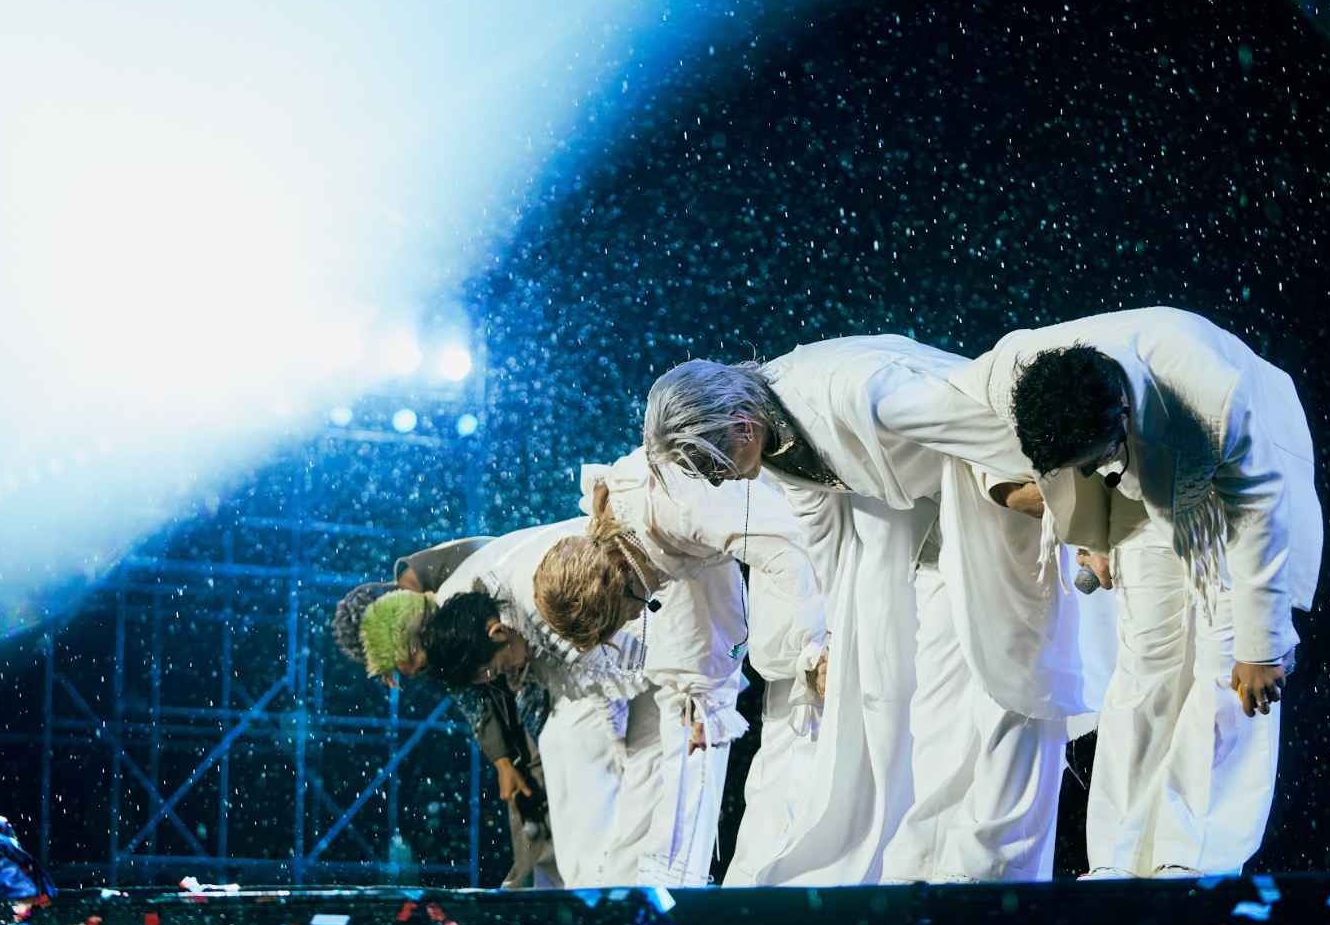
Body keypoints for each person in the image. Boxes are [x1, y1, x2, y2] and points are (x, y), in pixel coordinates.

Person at [643, 336, 1096, 884]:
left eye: (706, 461)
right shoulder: (773, 440)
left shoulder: (862, 392)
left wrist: (1083, 516)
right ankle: (931, 862)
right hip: (938, 528)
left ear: (740, 423)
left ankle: (998, 867)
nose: (714, 478)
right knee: (929, 696)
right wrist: (836, 635)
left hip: (1001, 497)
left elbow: (987, 425)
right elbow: (820, 527)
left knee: (1014, 683)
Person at [962, 305, 1322, 878]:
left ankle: (1193, 855)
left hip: (1222, 492)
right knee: (1146, 661)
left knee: (1225, 670)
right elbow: (972, 416)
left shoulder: (1215, 395)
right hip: (1139, 489)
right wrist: (1061, 513)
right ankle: (1119, 858)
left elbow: (1259, 511)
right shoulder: (1013, 370)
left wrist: (1263, 644)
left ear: (1122, 416)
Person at [530, 448, 829, 886]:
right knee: (761, 666)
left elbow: (786, 549)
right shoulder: (632, 532)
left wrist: (814, 647)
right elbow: (693, 611)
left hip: (807, 493)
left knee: (782, 663)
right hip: (782, 517)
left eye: (628, 611)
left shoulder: (675, 510)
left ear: (620, 579)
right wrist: (698, 693)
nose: (635, 618)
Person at [421, 518, 744, 888]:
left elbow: (652, 617)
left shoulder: (547, 600)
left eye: (496, 670)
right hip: (648, 657)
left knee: (684, 770)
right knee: (641, 775)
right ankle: (626, 897)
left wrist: (700, 690)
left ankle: (675, 893)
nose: (506, 675)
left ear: (497, 633)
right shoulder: (498, 609)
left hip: (689, 638)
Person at [332, 535, 558, 889]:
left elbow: (466, 685)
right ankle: (536, 881)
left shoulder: (445, 587)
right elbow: (465, 687)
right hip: (509, 679)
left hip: (530, 658)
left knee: (547, 770)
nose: (412, 670)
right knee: (528, 785)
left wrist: (505, 756)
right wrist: (501, 760)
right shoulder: (422, 603)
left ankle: (545, 885)